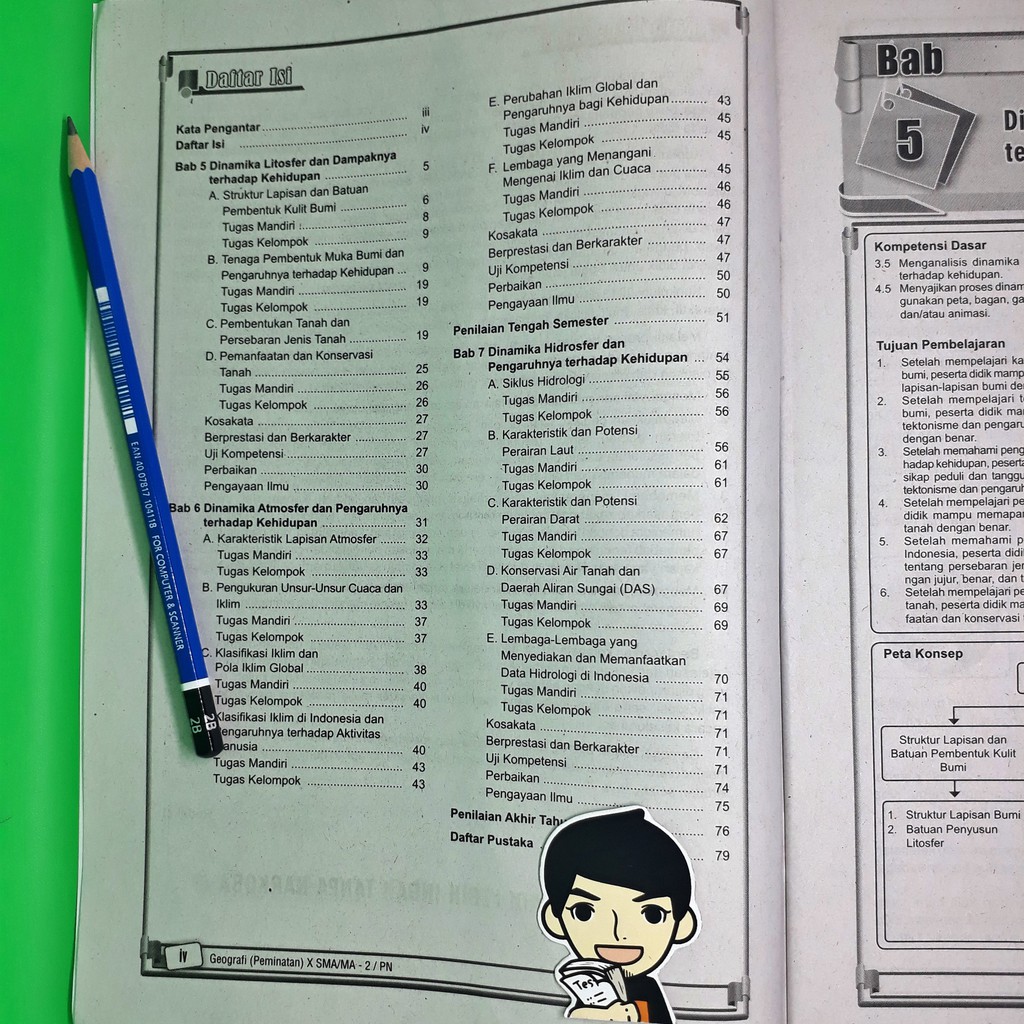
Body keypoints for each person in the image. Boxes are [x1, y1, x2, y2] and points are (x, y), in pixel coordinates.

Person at [537, 806, 699, 1023]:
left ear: (682, 925)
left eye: (652, 914)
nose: (618, 933)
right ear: (554, 919)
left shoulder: (647, 989)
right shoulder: (585, 986)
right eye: (584, 911)